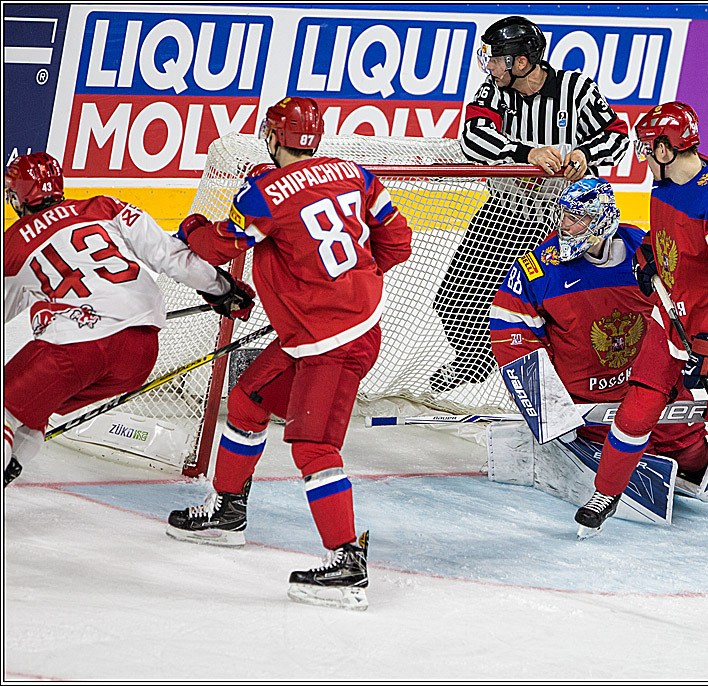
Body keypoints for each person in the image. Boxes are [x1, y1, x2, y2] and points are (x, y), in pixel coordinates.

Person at [165, 96, 412, 610]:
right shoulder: (358, 175)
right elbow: (397, 243)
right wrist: (343, 293)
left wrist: (190, 227)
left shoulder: (263, 194)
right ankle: (226, 510)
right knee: (250, 398)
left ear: (273, 136)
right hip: (326, 332)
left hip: (333, 346)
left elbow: (218, 248)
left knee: (314, 446)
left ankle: (346, 561)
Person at [575, 102, 708, 555]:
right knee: (637, 406)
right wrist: (650, 251)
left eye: (648, 149)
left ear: (668, 148)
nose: (643, 158)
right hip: (676, 316)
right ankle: (606, 492)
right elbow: (667, 232)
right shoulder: (668, 182)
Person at [4, 152, 253, 487]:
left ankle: (11, 464)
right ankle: (12, 466)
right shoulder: (103, 206)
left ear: (18, 194)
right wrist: (221, 288)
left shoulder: (13, 245)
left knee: (12, 406)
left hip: (75, 352)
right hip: (139, 355)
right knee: (36, 406)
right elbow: (171, 256)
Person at [430, 15, 630, 394]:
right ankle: (477, 360)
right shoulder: (494, 90)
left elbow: (617, 134)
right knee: (453, 298)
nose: (488, 65)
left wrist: (587, 154)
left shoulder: (575, 88)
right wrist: (526, 153)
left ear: (520, 62)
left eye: (494, 57)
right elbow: (472, 138)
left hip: (564, 221)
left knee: (558, 307)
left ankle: (557, 381)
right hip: (505, 212)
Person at [489, 177, 708, 499]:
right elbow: (510, 331)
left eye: (575, 218)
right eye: (564, 216)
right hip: (588, 406)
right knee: (619, 461)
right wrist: (545, 405)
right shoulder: (538, 268)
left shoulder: (645, 252)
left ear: (600, 220)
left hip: (657, 390)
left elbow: (690, 300)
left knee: (691, 456)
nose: (564, 226)